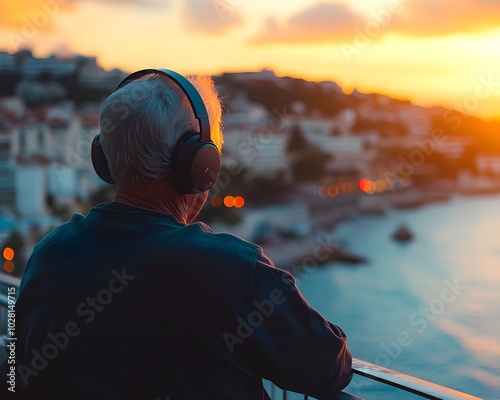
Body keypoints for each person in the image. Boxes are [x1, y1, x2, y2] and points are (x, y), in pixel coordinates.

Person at [5, 69, 352, 399]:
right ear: (200, 165)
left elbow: (14, 369)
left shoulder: (49, 253)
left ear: (105, 159)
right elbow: (328, 366)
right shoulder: (234, 271)